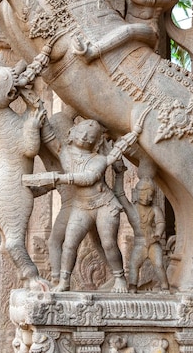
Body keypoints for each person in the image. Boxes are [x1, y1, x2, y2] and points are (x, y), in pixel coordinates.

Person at [25, 119, 138, 292]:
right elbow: (49, 138)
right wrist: (38, 112)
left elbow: (88, 178)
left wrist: (59, 178)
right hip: (81, 205)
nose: (85, 137)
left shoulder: (99, 159)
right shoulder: (64, 152)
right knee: (69, 244)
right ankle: (64, 281)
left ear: (98, 141)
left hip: (104, 205)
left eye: (91, 136)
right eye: (81, 132)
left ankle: (119, 278)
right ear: (71, 133)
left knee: (108, 244)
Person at [114, 168, 169, 292]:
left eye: (151, 195)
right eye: (146, 194)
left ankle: (165, 286)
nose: (149, 198)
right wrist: (119, 174)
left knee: (159, 265)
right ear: (138, 193)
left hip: (153, 243)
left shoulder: (155, 209)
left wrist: (158, 233)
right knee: (133, 265)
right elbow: (120, 194)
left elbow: (160, 223)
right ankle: (132, 286)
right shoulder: (132, 210)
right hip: (139, 243)